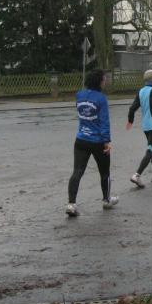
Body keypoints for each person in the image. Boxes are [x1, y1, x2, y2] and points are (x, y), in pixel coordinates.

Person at [66, 69, 118, 216]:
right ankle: (106, 200)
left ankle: (71, 204)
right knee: (104, 172)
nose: (105, 81)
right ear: (99, 81)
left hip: (81, 140)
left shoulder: (79, 95)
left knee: (77, 171)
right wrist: (107, 141)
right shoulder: (101, 99)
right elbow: (104, 121)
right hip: (98, 141)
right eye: (104, 79)